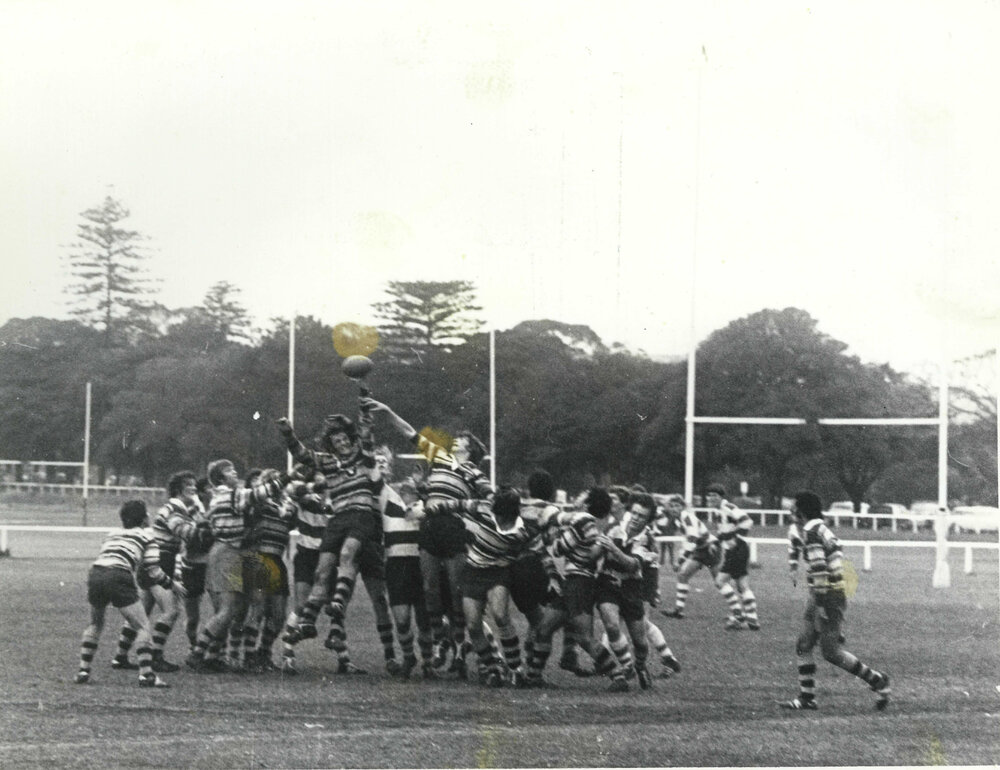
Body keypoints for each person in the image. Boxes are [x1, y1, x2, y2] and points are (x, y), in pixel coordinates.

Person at [364, 397, 493, 678]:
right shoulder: (441, 460)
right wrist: (388, 411)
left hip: (453, 528)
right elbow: (410, 433)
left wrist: (466, 509)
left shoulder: (473, 472)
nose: (456, 442)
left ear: (470, 451)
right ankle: (439, 643)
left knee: (457, 592)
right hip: (431, 528)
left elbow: (490, 499)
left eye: (461, 441)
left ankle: (459, 649)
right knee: (430, 588)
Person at [276, 397, 386, 677]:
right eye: (336, 440)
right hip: (330, 527)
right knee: (321, 574)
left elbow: (366, 433)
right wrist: (288, 432)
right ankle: (306, 627)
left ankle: (338, 624)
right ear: (330, 445)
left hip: (358, 516)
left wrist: (362, 403)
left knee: (347, 557)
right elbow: (301, 455)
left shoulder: (362, 455)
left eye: (344, 438)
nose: (342, 443)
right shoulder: (322, 466)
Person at [780, 491, 890, 711]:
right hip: (826, 593)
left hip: (826, 594)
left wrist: (820, 605)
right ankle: (807, 697)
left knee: (830, 652)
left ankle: (878, 680)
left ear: (801, 511)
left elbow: (820, 569)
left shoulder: (811, 532)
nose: (791, 513)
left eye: (794, 509)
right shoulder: (819, 529)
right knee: (804, 644)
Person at [423, 487, 534, 687]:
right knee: (473, 625)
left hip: (497, 573)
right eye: (496, 515)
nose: (497, 519)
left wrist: (508, 559)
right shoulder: (484, 509)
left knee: (501, 616)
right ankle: (493, 670)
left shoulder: (521, 532)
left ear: (511, 515)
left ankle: (516, 669)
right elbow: (457, 504)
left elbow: (525, 552)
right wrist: (433, 509)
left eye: (501, 517)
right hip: (473, 571)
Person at [524, 487, 630, 691]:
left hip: (578, 584)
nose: (579, 496)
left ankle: (618, 676)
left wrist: (550, 533)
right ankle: (533, 677)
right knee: (544, 629)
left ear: (588, 502)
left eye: (583, 494)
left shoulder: (583, 520)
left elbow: (558, 548)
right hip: (573, 583)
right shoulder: (591, 524)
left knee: (583, 637)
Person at [186, 460, 288, 672]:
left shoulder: (228, 495)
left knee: (254, 604)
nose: (235, 472)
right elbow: (259, 494)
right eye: (229, 470)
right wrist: (290, 476)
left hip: (242, 552)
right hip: (229, 552)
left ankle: (241, 656)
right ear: (221, 478)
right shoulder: (228, 494)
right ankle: (198, 654)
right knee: (229, 609)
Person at [110, 470, 207, 673]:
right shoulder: (175, 508)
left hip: (154, 559)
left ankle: (120, 656)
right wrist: (205, 525)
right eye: (189, 485)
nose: (194, 488)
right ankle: (156, 655)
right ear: (179, 489)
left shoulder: (179, 507)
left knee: (142, 613)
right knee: (172, 610)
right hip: (162, 560)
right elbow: (186, 533)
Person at [74, 500, 171, 688]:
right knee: (143, 626)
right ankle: (147, 675)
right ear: (144, 518)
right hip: (118, 575)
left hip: (96, 573)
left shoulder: (111, 534)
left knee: (96, 623)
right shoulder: (147, 536)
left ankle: (83, 670)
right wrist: (172, 585)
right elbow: (154, 571)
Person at [595, 492, 661, 689]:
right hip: (608, 583)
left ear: (648, 521)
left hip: (632, 588)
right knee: (612, 626)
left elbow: (633, 565)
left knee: (640, 643)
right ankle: (626, 668)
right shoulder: (613, 527)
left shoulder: (648, 540)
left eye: (642, 516)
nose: (636, 518)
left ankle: (640, 666)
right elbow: (598, 551)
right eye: (634, 513)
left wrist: (614, 550)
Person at [660, 495, 724, 619]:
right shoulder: (678, 519)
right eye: (672, 506)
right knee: (682, 575)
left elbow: (692, 539)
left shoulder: (686, 517)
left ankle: (739, 613)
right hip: (700, 549)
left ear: (683, 507)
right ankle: (678, 610)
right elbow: (689, 541)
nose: (674, 509)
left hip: (710, 548)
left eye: (677, 506)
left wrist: (680, 560)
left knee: (719, 581)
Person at [706, 484, 760, 630]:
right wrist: (716, 542)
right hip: (736, 550)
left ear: (721, 497)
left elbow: (747, 521)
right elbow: (724, 532)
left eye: (714, 496)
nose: (711, 498)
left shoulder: (727, 507)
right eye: (709, 495)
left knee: (720, 581)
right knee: (742, 585)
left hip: (737, 550)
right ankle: (752, 620)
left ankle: (738, 616)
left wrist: (737, 540)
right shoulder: (718, 512)